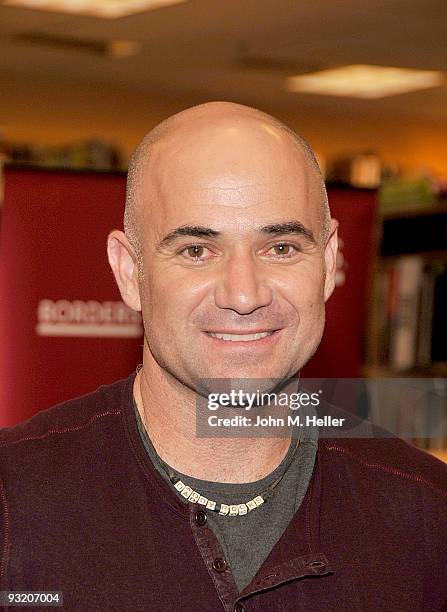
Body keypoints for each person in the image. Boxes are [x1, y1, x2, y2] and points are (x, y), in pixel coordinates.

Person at [1, 102, 446, 611]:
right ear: (129, 272)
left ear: (327, 263)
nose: (243, 294)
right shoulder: (14, 500)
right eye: (197, 250)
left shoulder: (426, 516)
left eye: (279, 247)